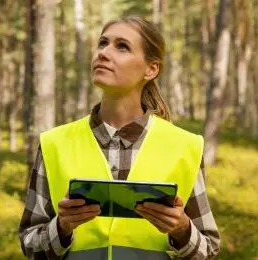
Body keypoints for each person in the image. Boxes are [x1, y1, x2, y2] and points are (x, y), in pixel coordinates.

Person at [18, 16, 220, 259]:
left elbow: (208, 251)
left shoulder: (185, 146)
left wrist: (182, 229)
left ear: (151, 69)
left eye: (122, 46)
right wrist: (61, 227)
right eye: (103, 43)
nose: (103, 53)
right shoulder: (54, 143)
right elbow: (30, 245)